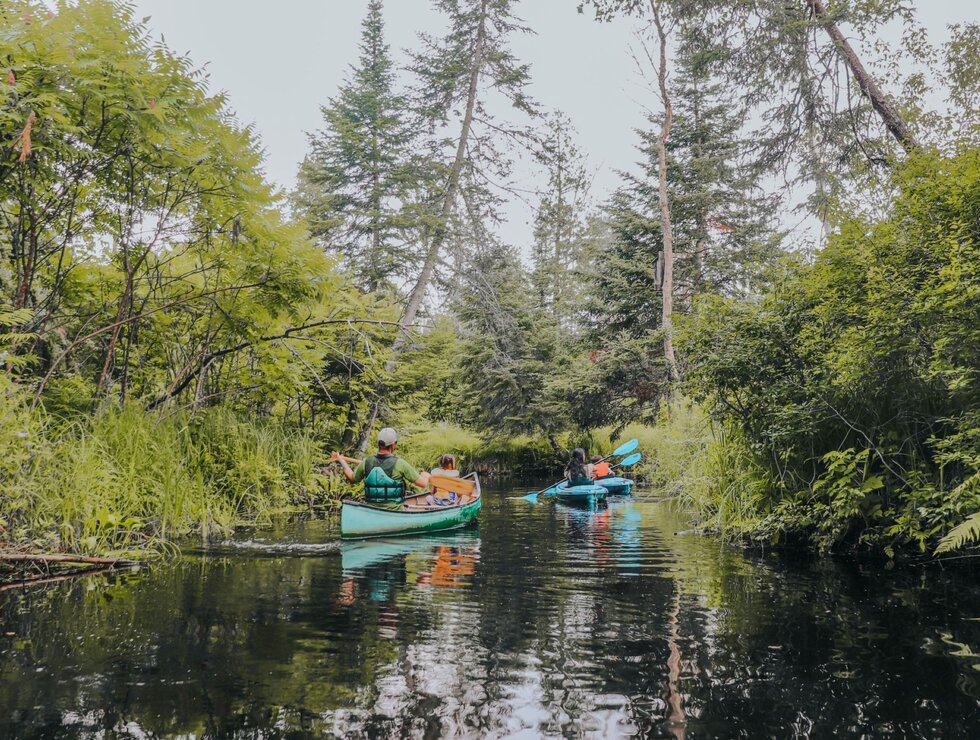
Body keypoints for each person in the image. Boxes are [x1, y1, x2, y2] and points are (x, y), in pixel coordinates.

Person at [332, 427, 429, 502]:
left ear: (379, 444)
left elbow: (352, 478)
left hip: (372, 507)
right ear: (393, 445)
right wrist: (427, 476)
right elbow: (423, 484)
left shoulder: (367, 461)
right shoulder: (400, 464)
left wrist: (342, 460)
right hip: (394, 509)